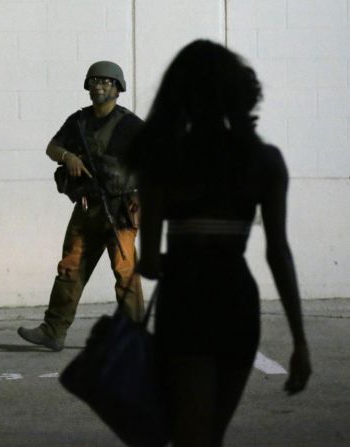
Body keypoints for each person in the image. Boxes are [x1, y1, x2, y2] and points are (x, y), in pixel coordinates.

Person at [128, 39, 312, 446]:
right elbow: (278, 252)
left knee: (190, 437)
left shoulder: (162, 158)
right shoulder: (264, 161)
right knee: (213, 435)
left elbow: (152, 262)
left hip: (186, 303)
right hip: (236, 304)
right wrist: (299, 340)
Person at [17, 61, 145, 351]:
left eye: (107, 81)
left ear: (118, 88)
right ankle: (53, 330)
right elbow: (52, 147)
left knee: (125, 272)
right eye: (95, 80)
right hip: (88, 207)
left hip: (121, 210)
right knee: (70, 267)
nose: (99, 86)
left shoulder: (130, 126)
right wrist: (68, 157)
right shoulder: (78, 121)